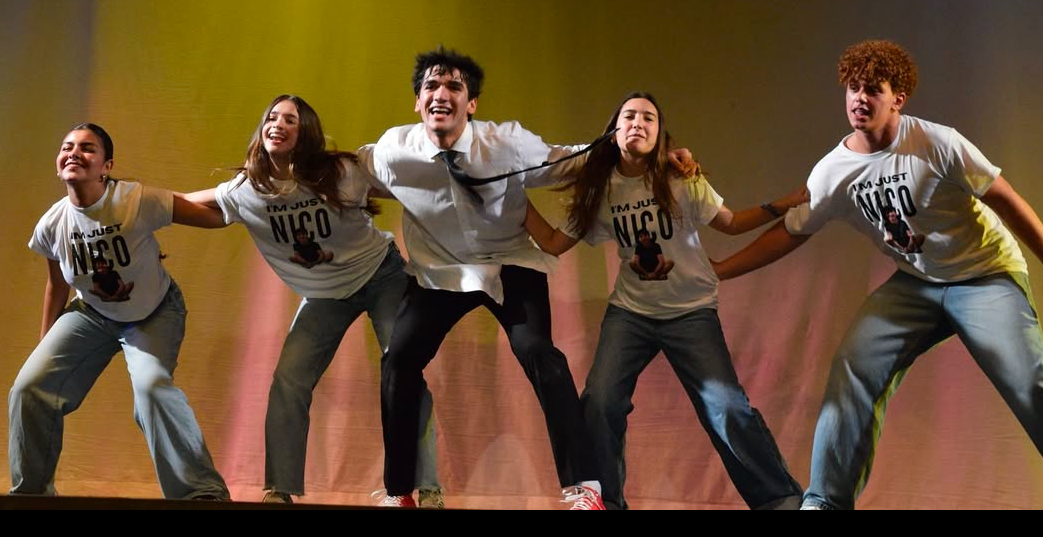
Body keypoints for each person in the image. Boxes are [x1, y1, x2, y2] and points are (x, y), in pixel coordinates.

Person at [358, 47, 697, 509]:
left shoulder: (505, 143)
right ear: (417, 101)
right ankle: (400, 491)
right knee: (398, 359)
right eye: (431, 87)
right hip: (441, 270)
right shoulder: (396, 149)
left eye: (454, 87)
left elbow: (569, 161)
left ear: (471, 103)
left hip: (509, 261)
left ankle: (585, 488)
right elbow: (347, 169)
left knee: (539, 352)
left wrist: (649, 151)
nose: (441, 95)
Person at [713, 39, 1043, 510]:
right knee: (854, 368)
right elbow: (789, 233)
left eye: (873, 89)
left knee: (1028, 380)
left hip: (984, 274)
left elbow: (1006, 200)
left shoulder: (936, 143)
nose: (859, 98)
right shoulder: (833, 171)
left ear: (897, 99)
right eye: (852, 88)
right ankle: (824, 502)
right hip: (916, 285)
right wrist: (723, 270)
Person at [524, 91, 806, 510]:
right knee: (600, 402)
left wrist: (785, 203)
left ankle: (780, 500)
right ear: (613, 131)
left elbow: (730, 224)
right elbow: (550, 242)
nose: (638, 122)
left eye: (649, 118)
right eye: (629, 116)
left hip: (690, 312)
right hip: (630, 314)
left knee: (726, 407)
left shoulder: (680, 178)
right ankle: (605, 503)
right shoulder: (598, 190)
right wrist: (512, 197)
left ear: (660, 134)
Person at [182, 95, 443, 507]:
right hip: (325, 295)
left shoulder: (339, 172)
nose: (278, 124)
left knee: (403, 372)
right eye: (272, 117)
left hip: (382, 275)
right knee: (289, 380)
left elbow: (406, 186)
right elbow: (189, 202)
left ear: (307, 133)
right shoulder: (248, 189)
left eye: (291, 120)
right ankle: (279, 490)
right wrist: (135, 204)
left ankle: (425, 487)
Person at [9, 122, 230, 500]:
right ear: (58, 161)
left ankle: (201, 494)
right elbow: (58, 285)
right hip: (92, 314)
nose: (75, 152)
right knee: (29, 387)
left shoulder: (133, 200)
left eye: (87, 148)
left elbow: (211, 216)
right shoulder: (53, 223)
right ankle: (31, 495)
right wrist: (44, 346)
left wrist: (247, 203)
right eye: (67, 146)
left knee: (152, 390)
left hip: (153, 312)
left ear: (106, 166)